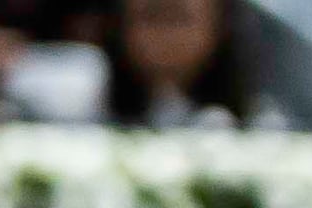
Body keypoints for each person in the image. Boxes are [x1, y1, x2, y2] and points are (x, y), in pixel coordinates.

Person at [98, 0, 253, 125]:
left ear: (217, 25)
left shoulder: (256, 105)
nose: (164, 33)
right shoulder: (92, 87)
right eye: (152, 16)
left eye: (178, 17)